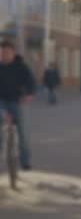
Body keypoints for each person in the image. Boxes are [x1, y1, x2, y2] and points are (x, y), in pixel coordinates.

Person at [0, 40, 35, 170]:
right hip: (1, 101)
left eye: (7, 52)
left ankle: (25, 161)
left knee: (23, 131)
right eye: (2, 53)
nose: (4, 55)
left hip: (17, 100)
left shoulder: (21, 66)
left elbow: (31, 81)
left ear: (13, 53)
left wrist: (30, 94)